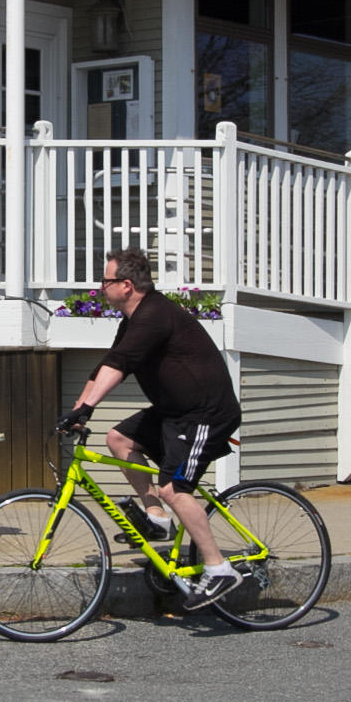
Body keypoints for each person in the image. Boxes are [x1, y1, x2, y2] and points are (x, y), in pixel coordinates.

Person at [59, 247, 245, 610]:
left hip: (204, 413)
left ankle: (218, 566)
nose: (100, 287)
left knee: (175, 488)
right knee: (119, 439)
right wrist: (77, 411)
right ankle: (157, 519)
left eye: (105, 280)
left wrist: (88, 406)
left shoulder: (155, 314)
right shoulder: (133, 319)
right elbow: (109, 364)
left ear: (126, 285)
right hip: (173, 411)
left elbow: (123, 363)